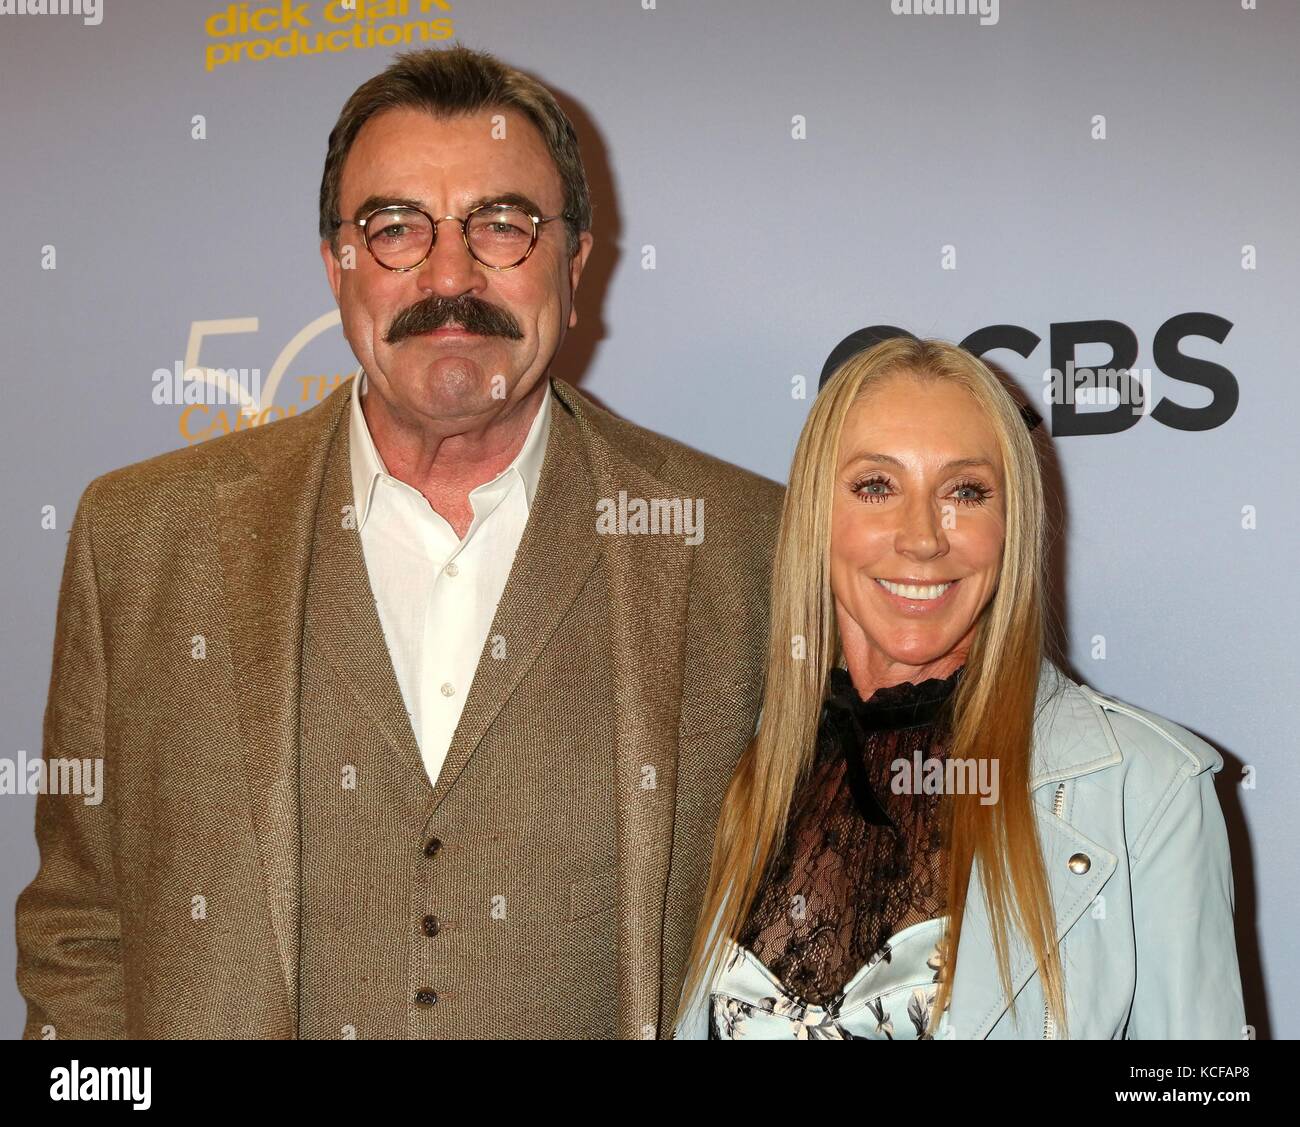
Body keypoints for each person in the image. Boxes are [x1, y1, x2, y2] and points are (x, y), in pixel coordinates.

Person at [16, 45, 782, 1039]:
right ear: (335, 264)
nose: (450, 275)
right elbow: (79, 928)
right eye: (394, 229)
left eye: (502, 226)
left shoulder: (741, 550)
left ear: (576, 263)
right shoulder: (143, 541)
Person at [674, 335, 1246, 1039]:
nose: (922, 538)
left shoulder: (1146, 789)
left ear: (1011, 527)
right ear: (817, 518)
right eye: (876, 486)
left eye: (965, 492)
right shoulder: (721, 763)